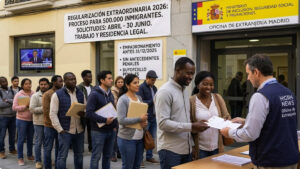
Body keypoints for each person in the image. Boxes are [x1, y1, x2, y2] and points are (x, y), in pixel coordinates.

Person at [221, 54, 299, 169]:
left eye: (248, 73)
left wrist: (229, 132)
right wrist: (247, 121)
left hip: (270, 161)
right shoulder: (288, 92)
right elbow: (278, 120)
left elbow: (250, 134)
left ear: (256, 72)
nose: (247, 78)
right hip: (290, 158)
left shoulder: (261, 96)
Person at [155, 57, 209, 169]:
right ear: (177, 71)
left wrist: (192, 145)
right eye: (188, 73)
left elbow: (184, 119)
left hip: (186, 149)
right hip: (170, 150)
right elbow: (163, 123)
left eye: (192, 74)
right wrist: (192, 126)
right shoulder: (165, 92)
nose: (190, 77)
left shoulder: (184, 90)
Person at [190, 71, 230, 159]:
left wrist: (224, 121)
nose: (209, 87)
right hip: (200, 148)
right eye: (205, 84)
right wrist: (192, 146)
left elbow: (227, 116)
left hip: (217, 146)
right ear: (197, 85)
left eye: (211, 84)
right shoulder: (191, 101)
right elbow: (188, 125)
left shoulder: (218, 98)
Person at [50, 72, 86, 169]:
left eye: (74, 79)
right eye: (70, 79)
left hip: (79, 130)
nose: (74, 81)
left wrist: (83, 113)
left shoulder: (80, 93)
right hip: (65, 130)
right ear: (65, 81)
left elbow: (85, 108)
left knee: (79, 155)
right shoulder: (57, 94)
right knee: (62, 156)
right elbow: (53, 114)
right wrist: (60, 129)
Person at [86, 70, 118, 169]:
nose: (111, 80)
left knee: (107, 156)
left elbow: (113, 111)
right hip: (98, 131)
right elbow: (89, 113)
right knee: (96, 156)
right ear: (102, 80)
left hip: (111, 130)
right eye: (109, 78)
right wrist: (104, 120)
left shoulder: (110, 94)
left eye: (111, 78)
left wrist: (115, 126)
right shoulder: (94, 94)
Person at [117, 74, 148, 169]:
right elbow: (121, 120)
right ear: (127, 85)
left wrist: (144, 124)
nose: (138, 84)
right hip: (127, 139)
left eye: (138, 82)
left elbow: (143, 117)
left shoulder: (139, 98)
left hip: (139, 139)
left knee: (137, 166)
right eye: (135, 83)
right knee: (128, 166)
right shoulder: (123, 99)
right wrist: (139, 119)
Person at [137, 70, 159, 165]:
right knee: (143, 138)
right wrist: (152, 101)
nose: (154, 82)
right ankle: (139, 159)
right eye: (152, 80)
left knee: (151, 138)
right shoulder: (141, 88)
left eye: (155, 80)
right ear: (147, 78)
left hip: (154, 116)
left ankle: (149, 156)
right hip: (145, 117)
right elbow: (141, 102)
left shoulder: (154, 88)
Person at [12, 78, 35, 166]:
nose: (28, 85)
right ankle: (20, 158)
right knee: (21, 139)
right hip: (21, 120)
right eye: (26, 84)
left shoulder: (34, 94)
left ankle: (29, 155)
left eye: (29, 83)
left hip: (32, 120)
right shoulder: (19, 94)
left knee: (30, 139)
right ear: (22, 85)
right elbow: (14, 108)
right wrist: (24, 106)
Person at [43, 75, 63, 169]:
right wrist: (55, 122)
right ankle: (47, 167)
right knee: (48, 148)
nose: (62, 83)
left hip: (60, 126)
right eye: (60, 81)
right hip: (49, 126)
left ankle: (58, 166)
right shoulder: (47, 94)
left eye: (62, 81)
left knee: (59, 148)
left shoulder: (62, 93)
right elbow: (47, 111)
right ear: (54, 82)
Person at [29, 78, 50, 169]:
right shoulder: (35, 96)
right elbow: (32, 109)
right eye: (41, 84)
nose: (43, 86)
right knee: (38, 142)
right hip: (38, 123)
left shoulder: (51, 94)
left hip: (49, 123)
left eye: (45, 84)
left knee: (47, 144)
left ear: (48, 85)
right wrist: (44, 108)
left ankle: (47, 160)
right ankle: (38, 161)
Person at [0, 76, 17, 159]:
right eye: (3, 82)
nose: (5, 83)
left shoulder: (12, 91)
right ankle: (1, 151)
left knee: (12, 134)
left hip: (13, 116)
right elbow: (0, 105)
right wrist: (11, 101)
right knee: (2, 135)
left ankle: (12, 149)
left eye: (6, 81)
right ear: (0, 83)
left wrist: (6, 100)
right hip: (3, 117)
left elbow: (16, 101)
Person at [77, 70, 94, 152]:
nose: (91, 78)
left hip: (91, 113)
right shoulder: (78, 88)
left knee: (91, 131)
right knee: (81, 130)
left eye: (91, 76)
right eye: (89, 76)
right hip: (83, 113)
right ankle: (79, 148)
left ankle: (91, 147)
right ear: (83, 78)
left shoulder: (93, 88)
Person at [111, 76, 124, 162]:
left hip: (121, 116)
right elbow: (115, 103)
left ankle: (119, 153)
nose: (120, 83)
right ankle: (113, 154)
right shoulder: (113, 91)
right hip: (114, 116)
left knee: (120, 136)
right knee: (114, 137)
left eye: (122, 82)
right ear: (116, 83)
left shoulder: (123, 91)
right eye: (118, 82)